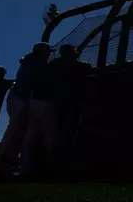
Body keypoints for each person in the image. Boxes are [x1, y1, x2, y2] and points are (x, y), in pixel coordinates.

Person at [0, 42, 52, 177]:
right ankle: (1, 166)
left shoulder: (31, 60)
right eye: (48, 51)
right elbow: (33, 83)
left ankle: (7, 165)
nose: (49, 54)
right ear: (42, 51)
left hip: (20, 98)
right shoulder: (35, 62)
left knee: (17, 131)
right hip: (21, 98)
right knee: (14, 131)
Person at [46, 44, 93, 174]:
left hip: (58, 101)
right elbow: (86, 67)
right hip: (71, 101)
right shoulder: (77, 66)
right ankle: (64, 163)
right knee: (69, 131)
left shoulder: (54, 64)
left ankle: (55, 162)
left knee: (58, 130)